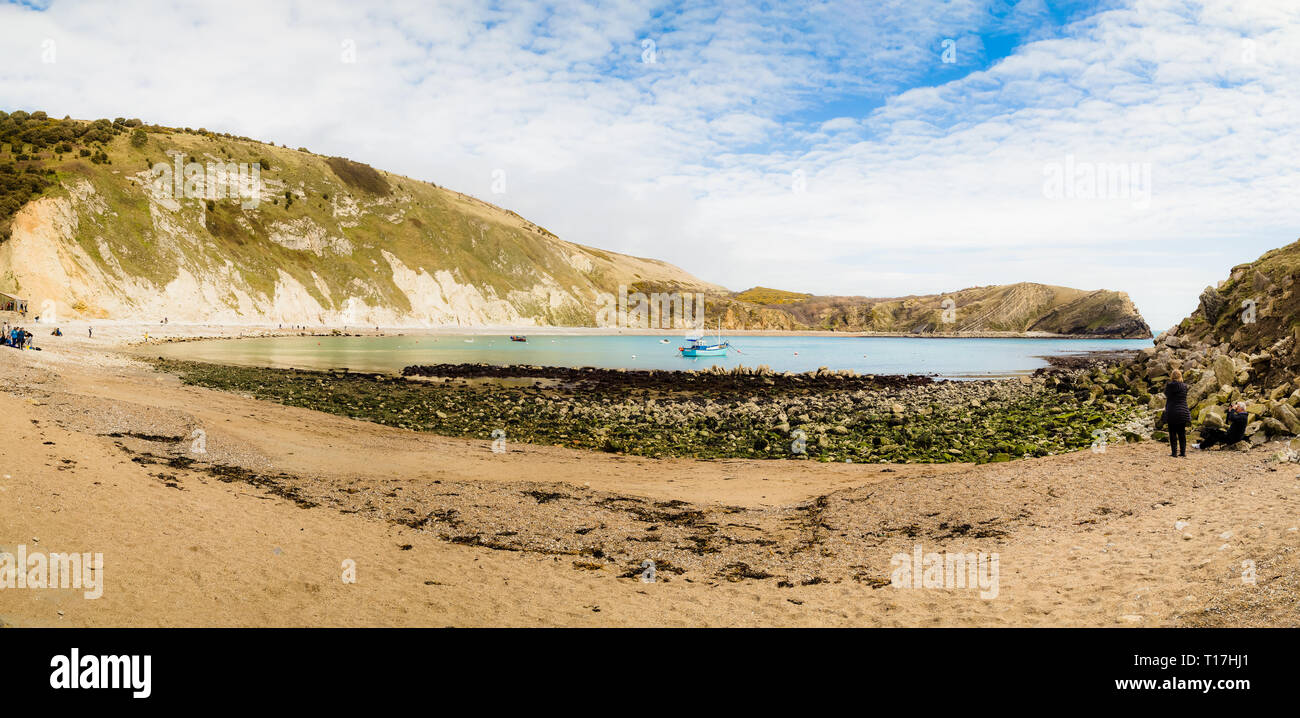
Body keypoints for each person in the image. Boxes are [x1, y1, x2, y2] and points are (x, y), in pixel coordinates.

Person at [1164, 369, 1191, 457]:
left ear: (1172, 376)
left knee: (1172, 433)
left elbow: (1166, 394)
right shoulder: (1184, 386)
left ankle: (1174, 453)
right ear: (1180, 376)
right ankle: (1183, 452)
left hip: (1172, 411)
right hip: (1183, 411)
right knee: (1182, 433)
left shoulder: (1169, 385)